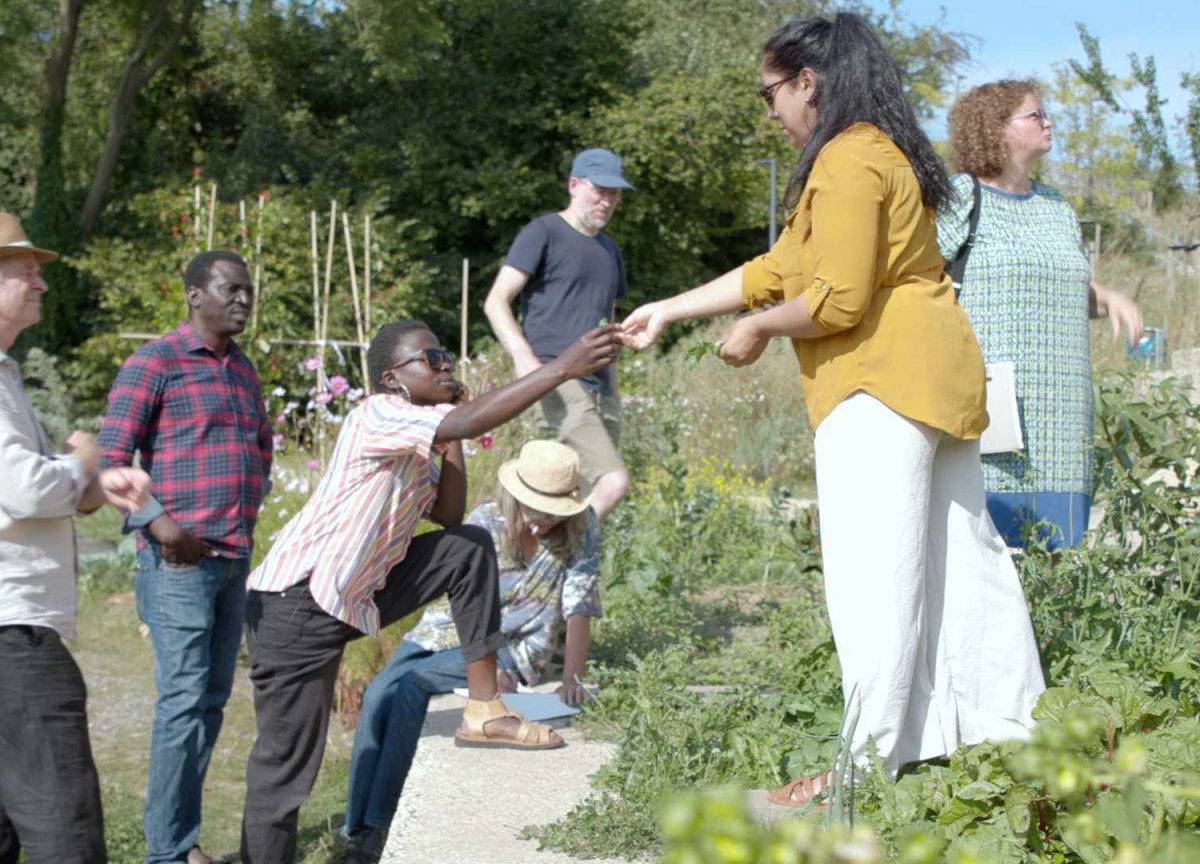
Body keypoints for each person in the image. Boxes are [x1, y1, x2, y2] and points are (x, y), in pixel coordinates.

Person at [622, 13, 1046, 803]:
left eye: (770, 94)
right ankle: (1014, 743)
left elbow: (836, 301)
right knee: (964, 568)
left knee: (874, 580)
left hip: (878, 385)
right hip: (933, 379)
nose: (769, 112)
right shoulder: (876, 153)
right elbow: (780, 266)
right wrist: (672, 308)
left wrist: (755, 328)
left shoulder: (848, 160)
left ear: (808, 82)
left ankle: (864, 771)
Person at [239, 320, 622, 864]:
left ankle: (484, 709)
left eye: (447, 357)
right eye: (432, 358)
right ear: (394, 378)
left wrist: (451, 440)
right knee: (285, 772)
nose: (446, 365)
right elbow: (467, 418)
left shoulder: (419, 439)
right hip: (296, 608)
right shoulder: (377, 414)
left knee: (466, 548)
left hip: (349, 597)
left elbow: (448, 514)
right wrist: (561, 368)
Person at [340, 438, 603, 859]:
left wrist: (571, 677)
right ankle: (354, 826)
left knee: (410, 687)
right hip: (445, 633)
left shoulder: (582, 527)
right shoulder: (488, 523)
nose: (540, 520)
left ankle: (378, 825)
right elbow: (463, 604)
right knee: (377, 693)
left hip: (510, 647)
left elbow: (580, 603)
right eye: (533, 507)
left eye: (552, 512)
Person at [98, 250, 273, 864]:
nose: (245, 300)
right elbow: (110, 459)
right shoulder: (156, 362)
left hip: (232, 559)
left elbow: (262, 449)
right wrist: (162, 526)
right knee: (181, 704)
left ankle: (178, 841)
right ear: (196, 295)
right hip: (178, 564)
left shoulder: (244, 371)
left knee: (210, 702)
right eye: (232, 289)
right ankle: (167, 854)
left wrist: (250, 509)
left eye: (249, 290)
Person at [0, 213, 151, 864]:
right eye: (24, 268)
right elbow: (26, 489)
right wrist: (86, 462)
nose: (41, 282)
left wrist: (93, 484)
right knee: (67, 833)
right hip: (14, 640)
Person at [937, 80, 1142, 550]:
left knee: (1059, 554)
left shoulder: (1057, 206)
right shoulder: (962, 196)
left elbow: (1060, 287)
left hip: (1064, 412)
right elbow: (917, 276)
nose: (1048, 122)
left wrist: (1107, 298)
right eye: (1035, 115)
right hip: (993, 396)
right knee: (991, 554)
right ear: (995, 129)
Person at [483, 148, 634, 520]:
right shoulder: (544, 232)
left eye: (614, 193)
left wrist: (614, 394)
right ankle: (557, 559)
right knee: (611, 483)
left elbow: (607, 324)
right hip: (554, 378)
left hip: (600, 390)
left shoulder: (610, 251)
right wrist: (525, 360)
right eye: (599, 190)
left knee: (568, 498)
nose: (607, 200)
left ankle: (526, 562)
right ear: (574, 185)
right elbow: (496, 301)